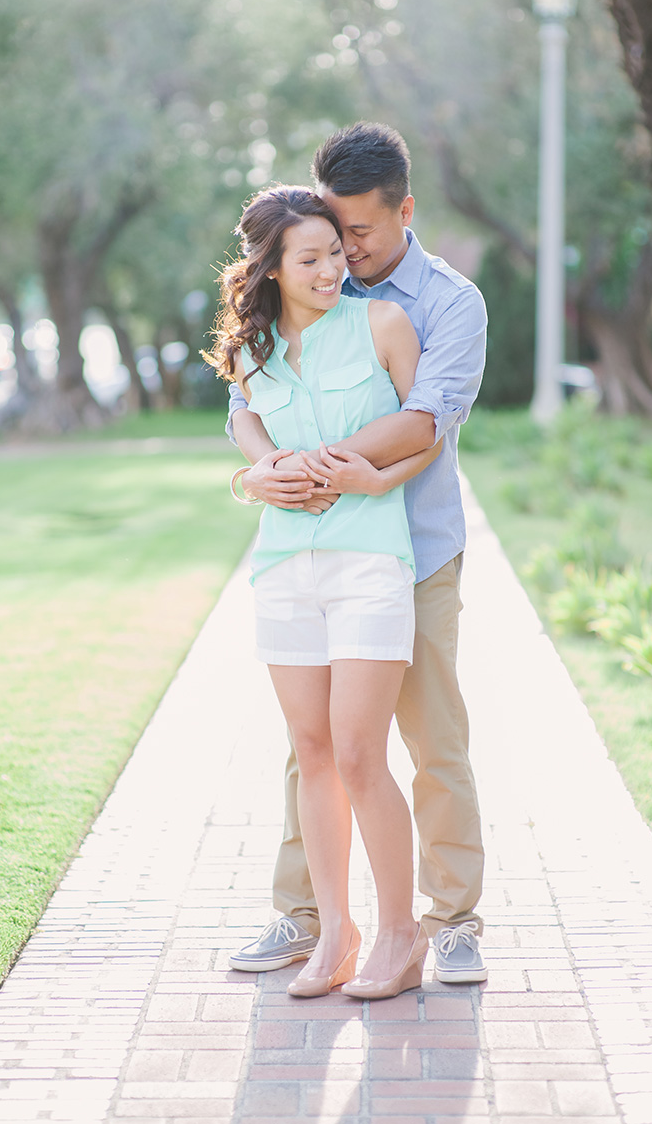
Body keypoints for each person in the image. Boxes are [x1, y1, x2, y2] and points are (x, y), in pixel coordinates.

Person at [226, 122, 489, 984]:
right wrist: (260, 470)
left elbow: (424, 421)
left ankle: (449, 920)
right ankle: (306, 916)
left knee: (428, 737)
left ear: (404, 211)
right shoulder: (300, 299)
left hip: (414, 545)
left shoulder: (448, 303)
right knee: (321, 745)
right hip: (311, 550)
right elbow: (245, 401)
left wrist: (331, 471)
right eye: (328, 238)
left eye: (359, 235)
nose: (343, 253)